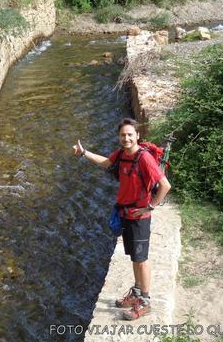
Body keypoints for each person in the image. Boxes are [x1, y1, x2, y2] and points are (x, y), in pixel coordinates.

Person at [73, 118, 171, 320]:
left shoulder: (144, 158)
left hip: (139, 217)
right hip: (126, 213)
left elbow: (165, 185)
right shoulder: (121, 155)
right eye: (122, 135)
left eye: (129, 134)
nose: (126, 138)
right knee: (135, 257)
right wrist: (84, 153)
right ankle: (136, 293)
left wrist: (150, 206)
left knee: (141, 259)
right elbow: (106, 163)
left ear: (137, 136)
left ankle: (145, 302)